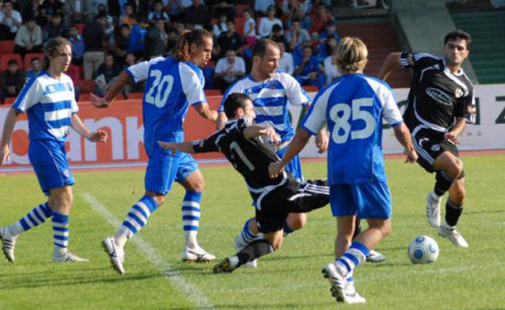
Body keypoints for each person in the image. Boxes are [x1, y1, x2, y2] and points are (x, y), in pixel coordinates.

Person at [269, 37, 417, 304]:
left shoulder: (327, 92)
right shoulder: (378, 87)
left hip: (337, 170)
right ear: (365, 60)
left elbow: (302, 135)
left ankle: (346, 288)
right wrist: (410, 149)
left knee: (345, 231)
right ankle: (344, 266)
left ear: (336, 62)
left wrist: (281, 162)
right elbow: (400, 127)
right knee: (382, 227)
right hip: (367, 167)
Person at [90, 29, 219, 274]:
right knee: (156, 196)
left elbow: (125, 75)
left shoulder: (157, 63)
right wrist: (219, 117)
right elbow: (202, 110)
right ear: (191, 48)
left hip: (153, 137)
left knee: (196, 183)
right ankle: (118, 241)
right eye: (206, 50)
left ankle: (191, 246)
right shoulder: (191, 73)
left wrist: (108, 99)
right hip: (168, 141)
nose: (209, 57)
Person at [159, 93, 330, 274]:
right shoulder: (242, 124)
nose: (254, 114)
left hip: (262, 199)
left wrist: (174, 146)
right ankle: (354, 250)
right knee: (338, 187)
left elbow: (195, 146)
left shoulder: (219, 138)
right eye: (251, 110)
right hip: (283, 189)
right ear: (240, 112)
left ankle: (236, 259)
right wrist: (264, 128)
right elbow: (247, 129)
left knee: (273, 242)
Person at [216, 39, 327, 268]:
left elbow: (308, 106)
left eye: (278, 58)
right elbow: (222, 120)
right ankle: (252, 245)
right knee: (277, 213)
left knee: (297, 220)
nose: (277, 64)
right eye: (272, 59)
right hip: (261, 160)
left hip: (287, 153)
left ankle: (249, 236)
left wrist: (320, 130)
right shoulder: (239, 89)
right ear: (256, 59)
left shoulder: (284, 80)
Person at [0, 37, 108, 263]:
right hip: (43, 144)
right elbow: (13, 112)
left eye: (69, 54)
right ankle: (60, 253)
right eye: (62, 54)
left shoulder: (67, 82)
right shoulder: (38, 83)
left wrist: (89, 134)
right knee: (65, 195)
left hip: (56, 145)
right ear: (50, 56)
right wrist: (4, 145)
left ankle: (11, 232)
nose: (68, 59)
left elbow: (72, 115)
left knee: (58, 202)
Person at [377, 30, 475, 248]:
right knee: (455, 166)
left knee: (459, 193)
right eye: (451, 46)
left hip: (443, 137)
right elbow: (392, 58)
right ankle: (434, 197)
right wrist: (378, 86)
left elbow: (463, 119)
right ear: (444, 48)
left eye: (460, 48)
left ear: (466, 53)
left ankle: (448, 229)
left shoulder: (466, 86)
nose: (455, 51)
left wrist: (455, 133)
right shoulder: (426, 62)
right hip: (418, 130)